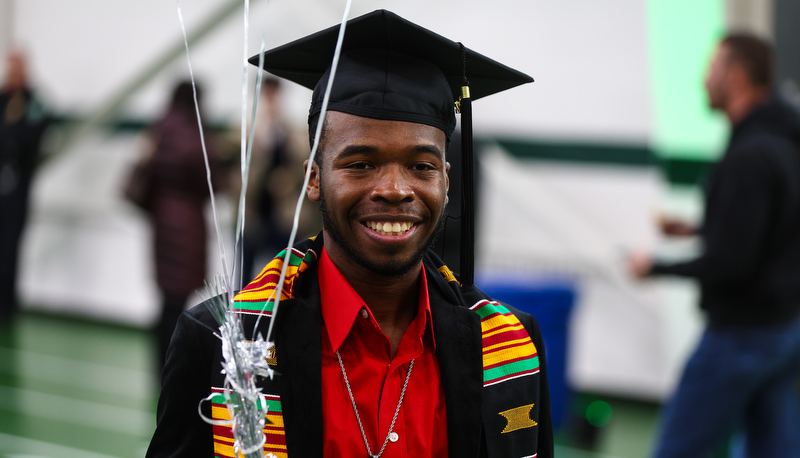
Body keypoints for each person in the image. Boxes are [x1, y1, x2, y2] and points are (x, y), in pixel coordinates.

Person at [147, 10, 553, 458]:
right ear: (314, 179)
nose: (396, 190)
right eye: (360, 164)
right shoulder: (223, 343)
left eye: (421, 166)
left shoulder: (508, 344)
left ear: (446, 180)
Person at [629, 33, 800, 458]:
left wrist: (656, 267)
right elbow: (771, 229)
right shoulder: (784, 143)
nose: (705, 81)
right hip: (785, 331)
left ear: (736, 76)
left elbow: (731, 261)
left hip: (741, 334)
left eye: (712, 69)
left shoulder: (749, 155)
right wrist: (698, 230)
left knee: (678, 448)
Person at [145, 80, 222, 372]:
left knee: (166, 300)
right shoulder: (194, 134)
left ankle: (159, 365)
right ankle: (171, 364)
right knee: (179, 301)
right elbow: (210, 182)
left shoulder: (159, 128)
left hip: (161, 219)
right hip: (187, 221)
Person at [0, 50, 49, 322]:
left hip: (17, 190)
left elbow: (31, 136)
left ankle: (6, 306)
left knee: (10, 249)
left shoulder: (35, 102)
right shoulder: (2, 99)